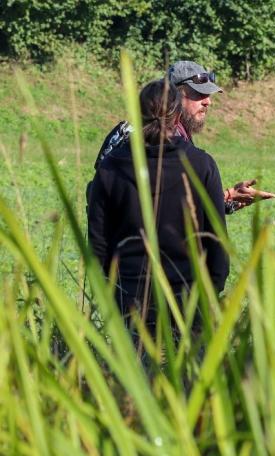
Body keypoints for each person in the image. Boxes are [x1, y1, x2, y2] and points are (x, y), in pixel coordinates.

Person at [87, 80, 229, 331]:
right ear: (177, 116)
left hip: (128, 304)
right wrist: (207, 298)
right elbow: (217, 246)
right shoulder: (202, 165)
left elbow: (98, 247)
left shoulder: (109, 169)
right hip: (188, 302)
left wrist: (112, 300)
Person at [92, 60, 275, 213]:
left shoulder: (182, 138)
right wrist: (227, 195)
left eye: (208, 94)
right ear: (173, 95)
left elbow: (176, 203)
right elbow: (157, 207)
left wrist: (229, 198)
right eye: (199, 94)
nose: (208, 101)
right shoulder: (134, 137)